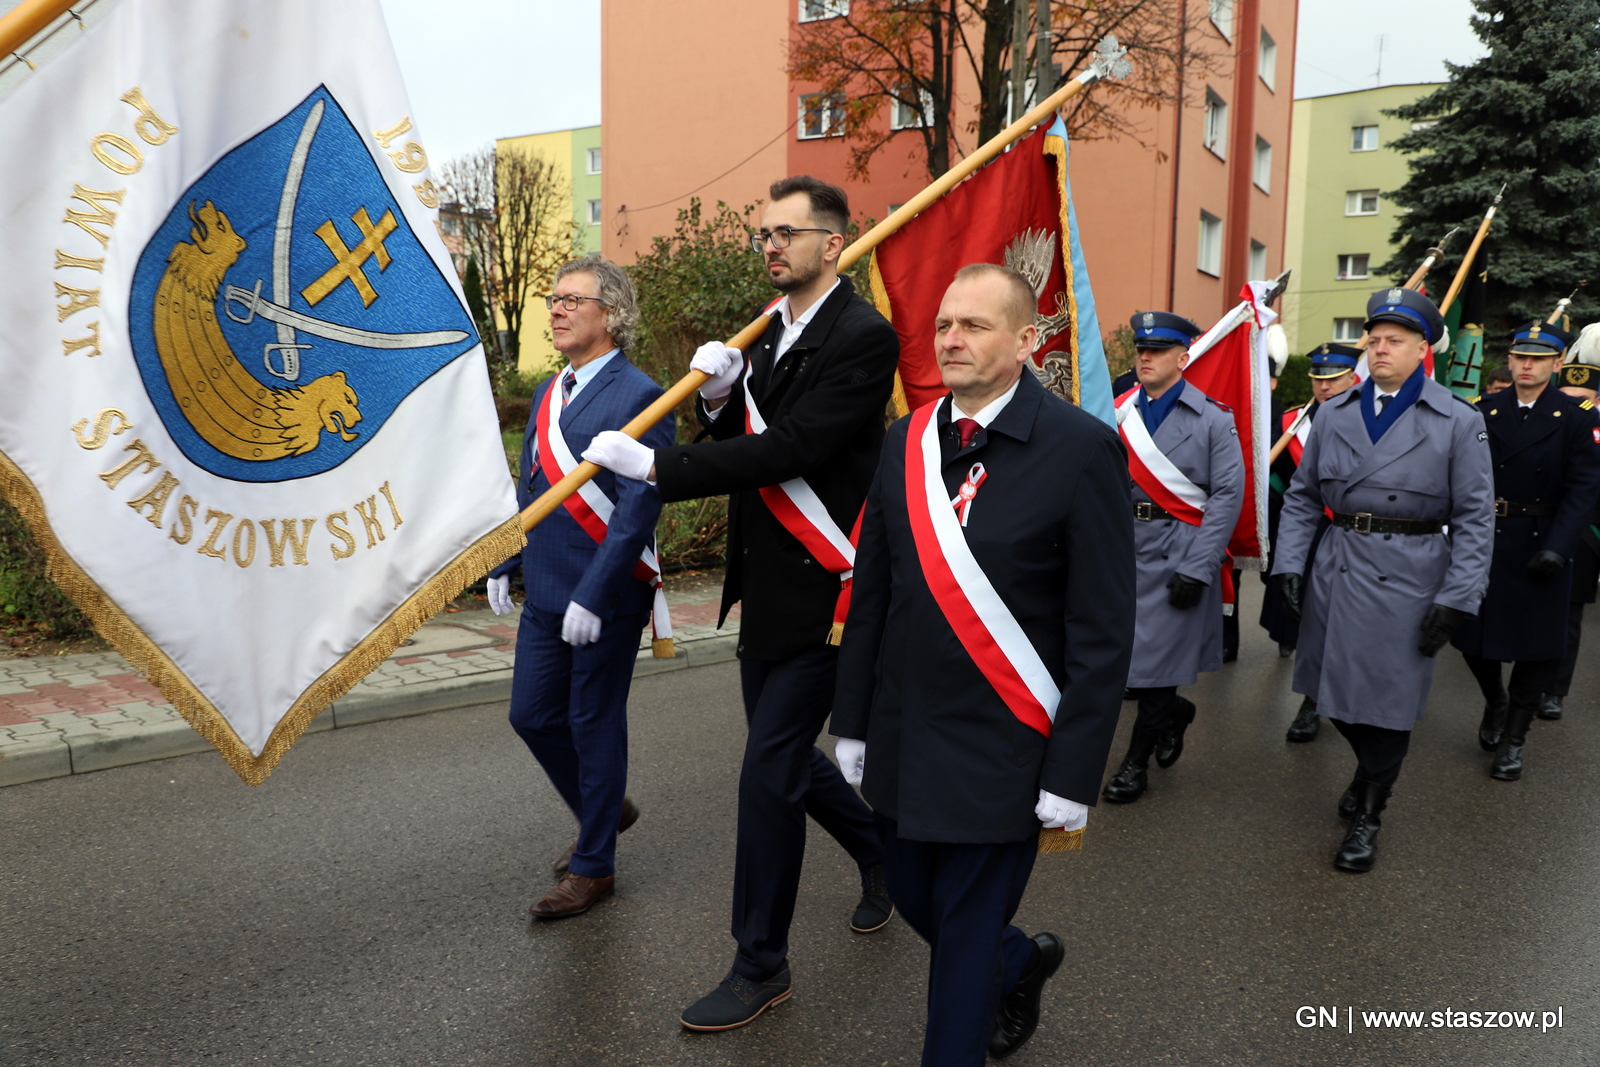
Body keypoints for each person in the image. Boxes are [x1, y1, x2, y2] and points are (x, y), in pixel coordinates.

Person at [582, 175, 899, 1031]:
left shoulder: (863, 336)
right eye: (764, 232)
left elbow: (794, 447)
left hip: (831, 591)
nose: (770, 245)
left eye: (788, 233)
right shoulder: (767, 334)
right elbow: (745, 437)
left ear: (833, 245)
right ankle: (879, 852)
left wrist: (659, 466)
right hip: (769, 590)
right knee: (787, 760)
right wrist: (722, 396)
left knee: (766, 772)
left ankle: (760, 963)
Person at [831, 263, 1135, 1067]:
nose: (951, 340)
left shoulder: (1081, 449)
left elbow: (1102, 632)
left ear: (1028, 341)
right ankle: (1021, 960)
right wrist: (853, 719)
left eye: (974, 325)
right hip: (903, 733)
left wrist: (1073, 772)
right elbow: (875, 590)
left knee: (961, 939)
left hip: (1004, 744)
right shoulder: (908, 438)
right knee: (916, 897)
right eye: (942, 326)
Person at [1274, 287, 1493, 873]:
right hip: (1337, 566)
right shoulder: (1336, 411)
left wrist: (1457, 598)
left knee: (1388, 703)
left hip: (1410, 574)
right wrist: (1289, 565)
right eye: (1373, 340)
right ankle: (1369, 771)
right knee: (1333, 695)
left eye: (1394, 341)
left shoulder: (1457, 420)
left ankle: (1369, 814)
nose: (1379, 350)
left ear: (1423, 349)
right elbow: (1301, 498)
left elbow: (1475, 518)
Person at [485, 256, 674, 919]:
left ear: (610, 313)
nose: (556, 309)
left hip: (605, 596)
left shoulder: (642, 394)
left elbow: (636, 509)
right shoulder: (547, 389)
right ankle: (606, 805)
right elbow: (531, 484)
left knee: (593, 725)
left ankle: (595, 865)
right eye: (553, 299)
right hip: (545, 587)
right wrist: (508, 557)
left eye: (571, 300)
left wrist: (596, 592)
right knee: (531, 715)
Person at [1101, 311, 1244, 804]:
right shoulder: (1116, 412)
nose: (1145, 357)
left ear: (1183, 358)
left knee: (1158, 671)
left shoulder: (1213, 419)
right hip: (1122, 549)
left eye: (1158, 350)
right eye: (1141, 349)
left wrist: (1199, 566)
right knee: (1121, 662)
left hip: (1178, 551)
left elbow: (1227, 497)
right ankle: (1176, 715)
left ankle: (1133, 764)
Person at [1450, 321, 1600, 779]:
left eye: (1538, 358)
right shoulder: (1484, 411)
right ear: (1511, 360)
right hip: (1487, 536)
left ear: (1557, 365)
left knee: (1537, 649)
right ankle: (1495, 700)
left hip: (1543, 538)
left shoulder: (1577, 418)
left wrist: (1560, 547)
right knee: (1473, 638)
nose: (1526, 365)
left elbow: (1583, 489)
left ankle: (1513, 738)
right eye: (1520, 357)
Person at [1265, 343, 1362, 741]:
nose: (1324, 387)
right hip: (1313, 529)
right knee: (1313, 619)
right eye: (1318, 380)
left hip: (1356, 530)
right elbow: (1284, 481)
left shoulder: (1370, 420)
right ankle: (1311, 703)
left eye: (1333, 379)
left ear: (1354, 379)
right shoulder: (1294, 421)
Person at [1546, 362, 1600, 719]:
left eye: (1581, 399)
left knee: (1568, 616)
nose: (1573, 404)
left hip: (1584, 533)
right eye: (1566, 397)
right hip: (1541, 525)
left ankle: (1555, 691)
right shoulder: (1545, 421)